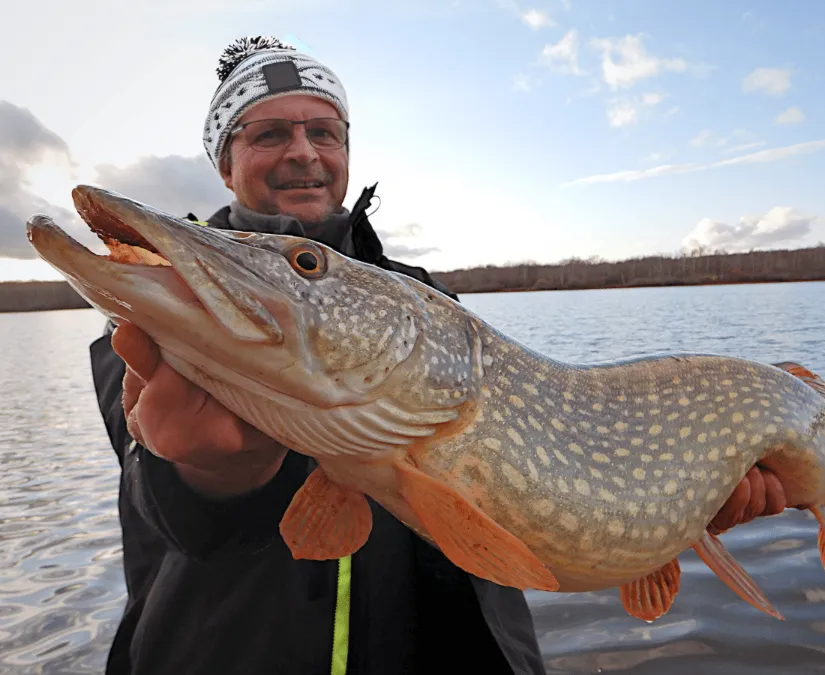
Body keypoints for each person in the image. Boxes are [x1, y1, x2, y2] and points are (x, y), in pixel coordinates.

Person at [88, 36, 788, 675]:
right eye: (270, 133)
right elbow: (168, 504)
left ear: (345, 151)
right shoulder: (158, 310)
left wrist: (674, 503)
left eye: (323, 131)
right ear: (224, 161)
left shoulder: (430, 308)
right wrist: (210, 473)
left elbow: (535, 513)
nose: (303, 151)